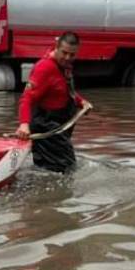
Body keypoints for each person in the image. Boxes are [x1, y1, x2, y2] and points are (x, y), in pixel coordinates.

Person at [16, 32, 92, 173]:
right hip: (45, 126)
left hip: (59, 126)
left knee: (58, 169)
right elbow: (26, 98)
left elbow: (65, 91)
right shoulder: (44, 68)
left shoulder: (66, 65)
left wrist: (81, 102)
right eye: (64, 53)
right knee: (66, 169)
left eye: (72, 54)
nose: (68, 58)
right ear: (56, 47)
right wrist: (24, 125)